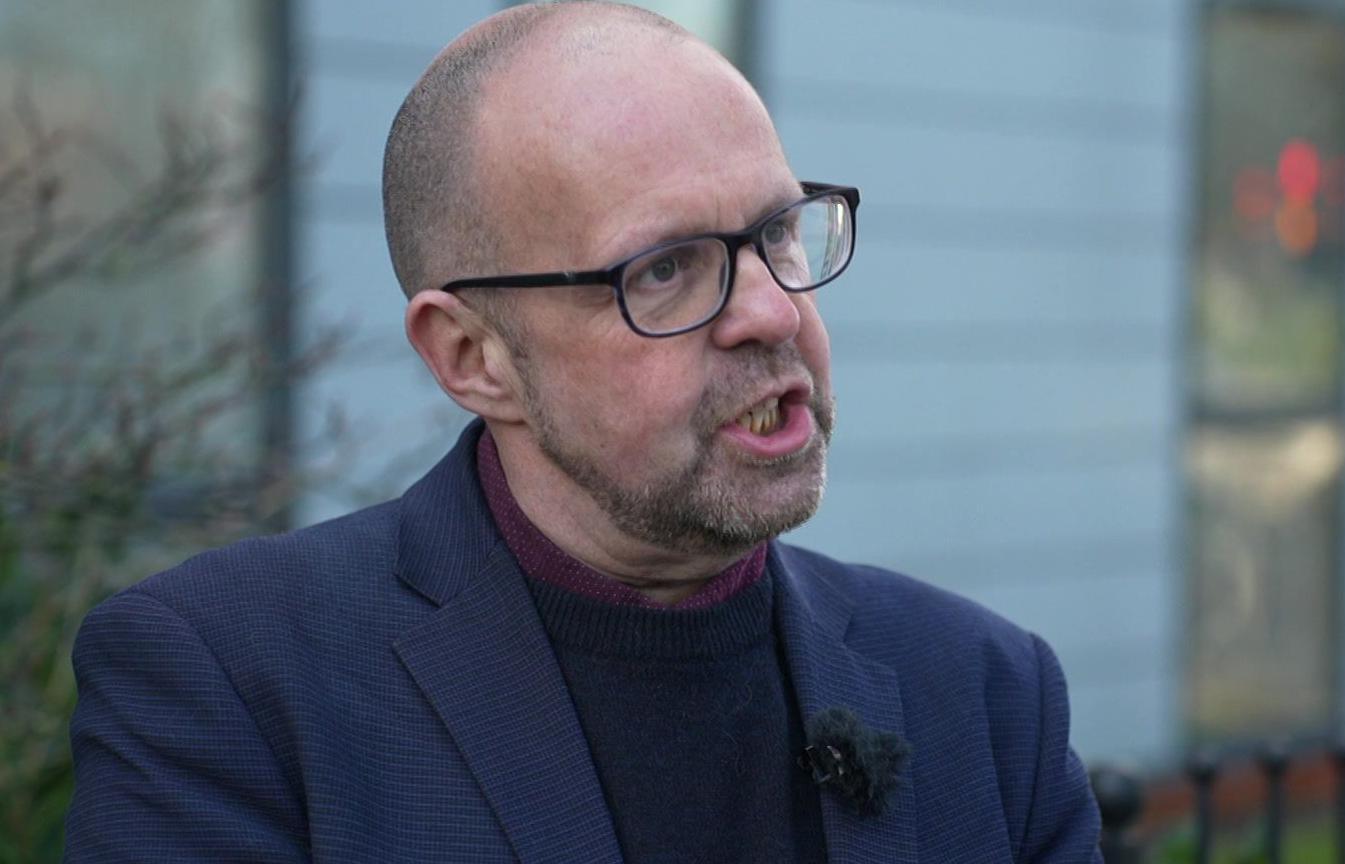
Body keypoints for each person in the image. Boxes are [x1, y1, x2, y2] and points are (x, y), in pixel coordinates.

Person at [63, 2, 1102, 862]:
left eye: (779, 232)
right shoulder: (231, 688)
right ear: (474, 357)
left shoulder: (985, 695)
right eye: (663, 269)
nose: (774, 311)